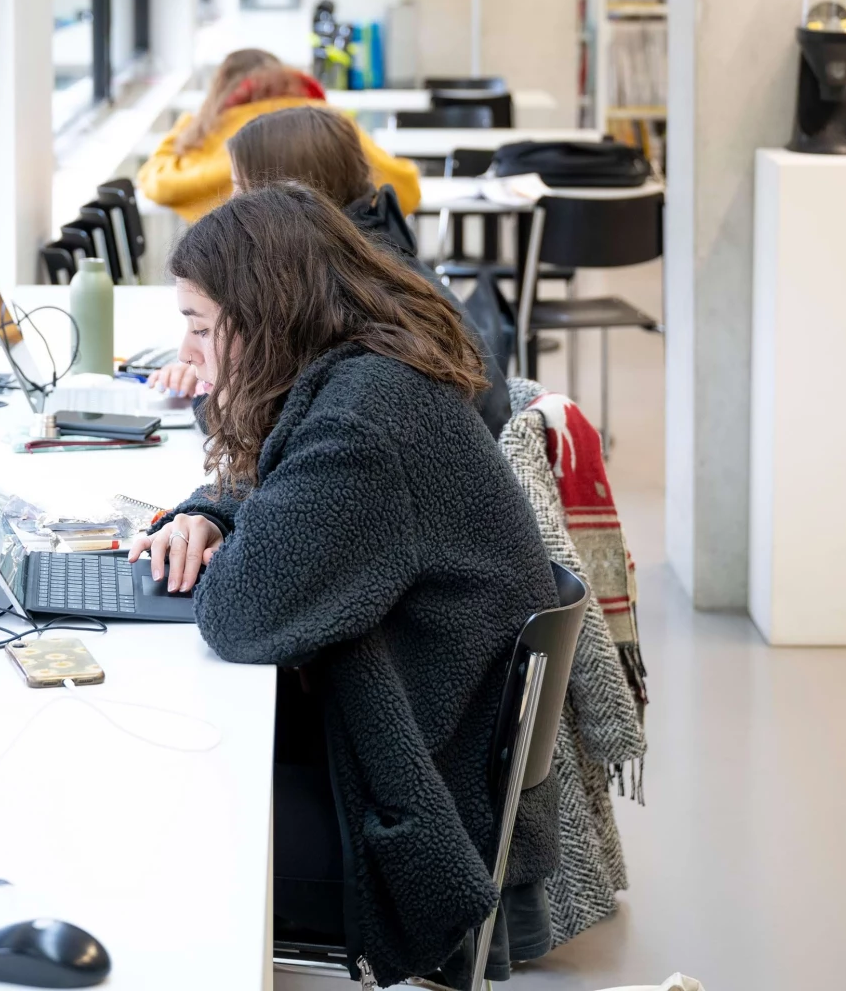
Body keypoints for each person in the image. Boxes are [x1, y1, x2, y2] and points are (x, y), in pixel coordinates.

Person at [129, 185, 559, 988]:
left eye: (199, 327)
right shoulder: (366, 374)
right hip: (412, 740)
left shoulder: (364, 424)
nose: (190, 355)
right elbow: (284, 485)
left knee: (143, 819)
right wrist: (212, 512)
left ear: (265, 315)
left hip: (409, 816)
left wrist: (224, 430)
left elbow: (242, 616)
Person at [225, 103, 512, 438]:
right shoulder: (375, 250)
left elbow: (261, 421)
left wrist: (211, 387)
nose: (232, 203)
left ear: (286, 195)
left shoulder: (340, 287)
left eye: (240, 188)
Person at [137, 48, 420, 222]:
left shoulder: (219, 127)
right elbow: (404, 187)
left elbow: (158, 180)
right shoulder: (324, 117)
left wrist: (190, 122)